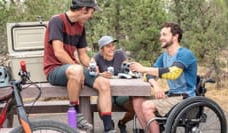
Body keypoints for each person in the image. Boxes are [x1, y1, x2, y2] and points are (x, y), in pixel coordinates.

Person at [43, 0, 116, 132]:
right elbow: (58, 52)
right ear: (83, 9)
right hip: (54, 69)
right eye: (91, 12)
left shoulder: (80, 27)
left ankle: (108, 128)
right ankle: (75, 112)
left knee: (104, 83)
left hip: (73, 69)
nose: (91, 16)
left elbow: (83, 55)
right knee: (76, 70)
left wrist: (92, 64)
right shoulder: (57, 21)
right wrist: (79, 69)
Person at [130, 22, 197, 133]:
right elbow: (148, 75)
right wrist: (156, 86)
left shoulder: (185, 54)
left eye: (164, 35)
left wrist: (144, 69)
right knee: (137, 101)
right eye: (161, 35)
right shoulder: (164, 56)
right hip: (172, 96)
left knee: (147, 106)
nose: (161, 38)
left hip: (185, 99)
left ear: (175, 36)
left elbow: (173, 73)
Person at [93, 35, 135, 133]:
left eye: (112, 45)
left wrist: (128, 71)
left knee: (135, 107)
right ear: (102, 49)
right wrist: (100, 74)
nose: (112, 48)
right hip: (106, 93)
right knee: (100, 108)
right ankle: (109, 123)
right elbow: (91, 70)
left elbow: (127, 69)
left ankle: (122, 123)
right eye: (108, 46)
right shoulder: (97, 57)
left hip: (121, 92)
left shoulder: (120, 54)